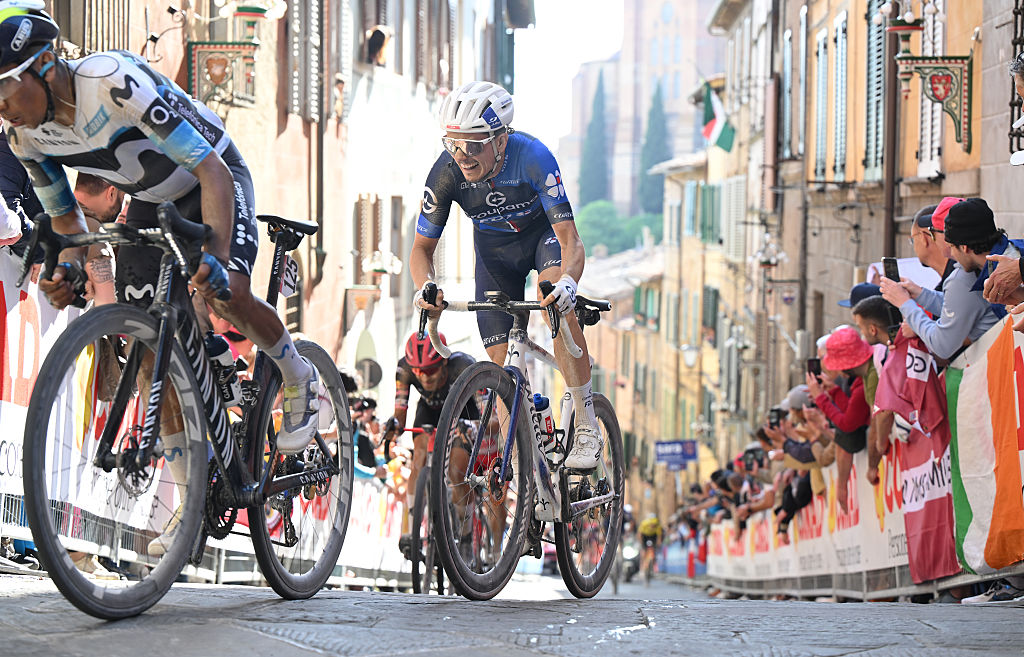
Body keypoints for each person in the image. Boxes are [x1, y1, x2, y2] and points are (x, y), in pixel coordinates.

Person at [0, 5, 320, 457]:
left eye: (4, 89)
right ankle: (192, 500)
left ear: (45, 67)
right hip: (150, 201)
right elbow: (67, 219)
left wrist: (217, 256)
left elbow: (211, 171)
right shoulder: (24, 136)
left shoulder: (108, 82)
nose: (1, 107)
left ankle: (297, 374)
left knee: (227, 292)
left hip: (211, 176)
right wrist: (69, 272)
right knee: (149, 350)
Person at [409, 80, 603, 472]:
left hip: (543, 240)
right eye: (454, 143)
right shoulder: (445, 173)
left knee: (554, 306)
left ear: (501, 139)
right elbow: (420, 250)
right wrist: (425, 287)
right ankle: (523, 460)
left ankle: (585, 423)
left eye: (475, 144)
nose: (463, 155)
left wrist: (568, 283)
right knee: (500, 364)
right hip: (496, 258)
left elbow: (570, 240)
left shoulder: (533, 157)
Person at [880, 198, 1003, 359]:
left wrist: (905, 304)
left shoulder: (962, 277)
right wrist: (919, 293)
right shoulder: (1008, 254)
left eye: (951, 246)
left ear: (963, 247)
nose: (951, 255)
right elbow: (959, 305)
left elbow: (942, 346)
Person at [383, 333, 479, 525]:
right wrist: (393, 428)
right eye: (419, 372)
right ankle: (411, 528)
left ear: (444, 363)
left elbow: (487, 412)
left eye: (430, 370)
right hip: (429, 410)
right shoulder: (404, 369)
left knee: (456, 471)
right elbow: (400, 412)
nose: (424, 377)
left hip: (463, 412)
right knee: (418, 460)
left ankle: (466, 530)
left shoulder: (462, 365)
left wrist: (475, 427)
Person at [637, 512, 662, 581]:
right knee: (644, 551)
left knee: (653, 550)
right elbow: (639, 534)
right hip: (645, 536)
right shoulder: (644, 524)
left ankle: (653, 564)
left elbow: (659, 536)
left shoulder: (657, 526)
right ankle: (642, 566)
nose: (652, 526)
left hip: (653, 536)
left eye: (654, 525)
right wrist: (641, 542)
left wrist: (658, 543)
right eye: (651, 525)